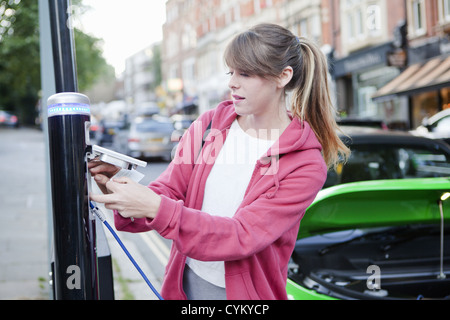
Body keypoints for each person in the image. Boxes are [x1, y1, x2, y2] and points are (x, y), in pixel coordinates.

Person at [89, 23, 349, 300]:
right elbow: (170, 190)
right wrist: (119, 188)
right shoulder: (209, 125)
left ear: (283, 77)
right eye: (231, 72)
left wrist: (155, 206)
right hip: (184, 284)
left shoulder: (304, 163)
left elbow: (242, 235)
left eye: (245, 73)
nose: (232, 83)